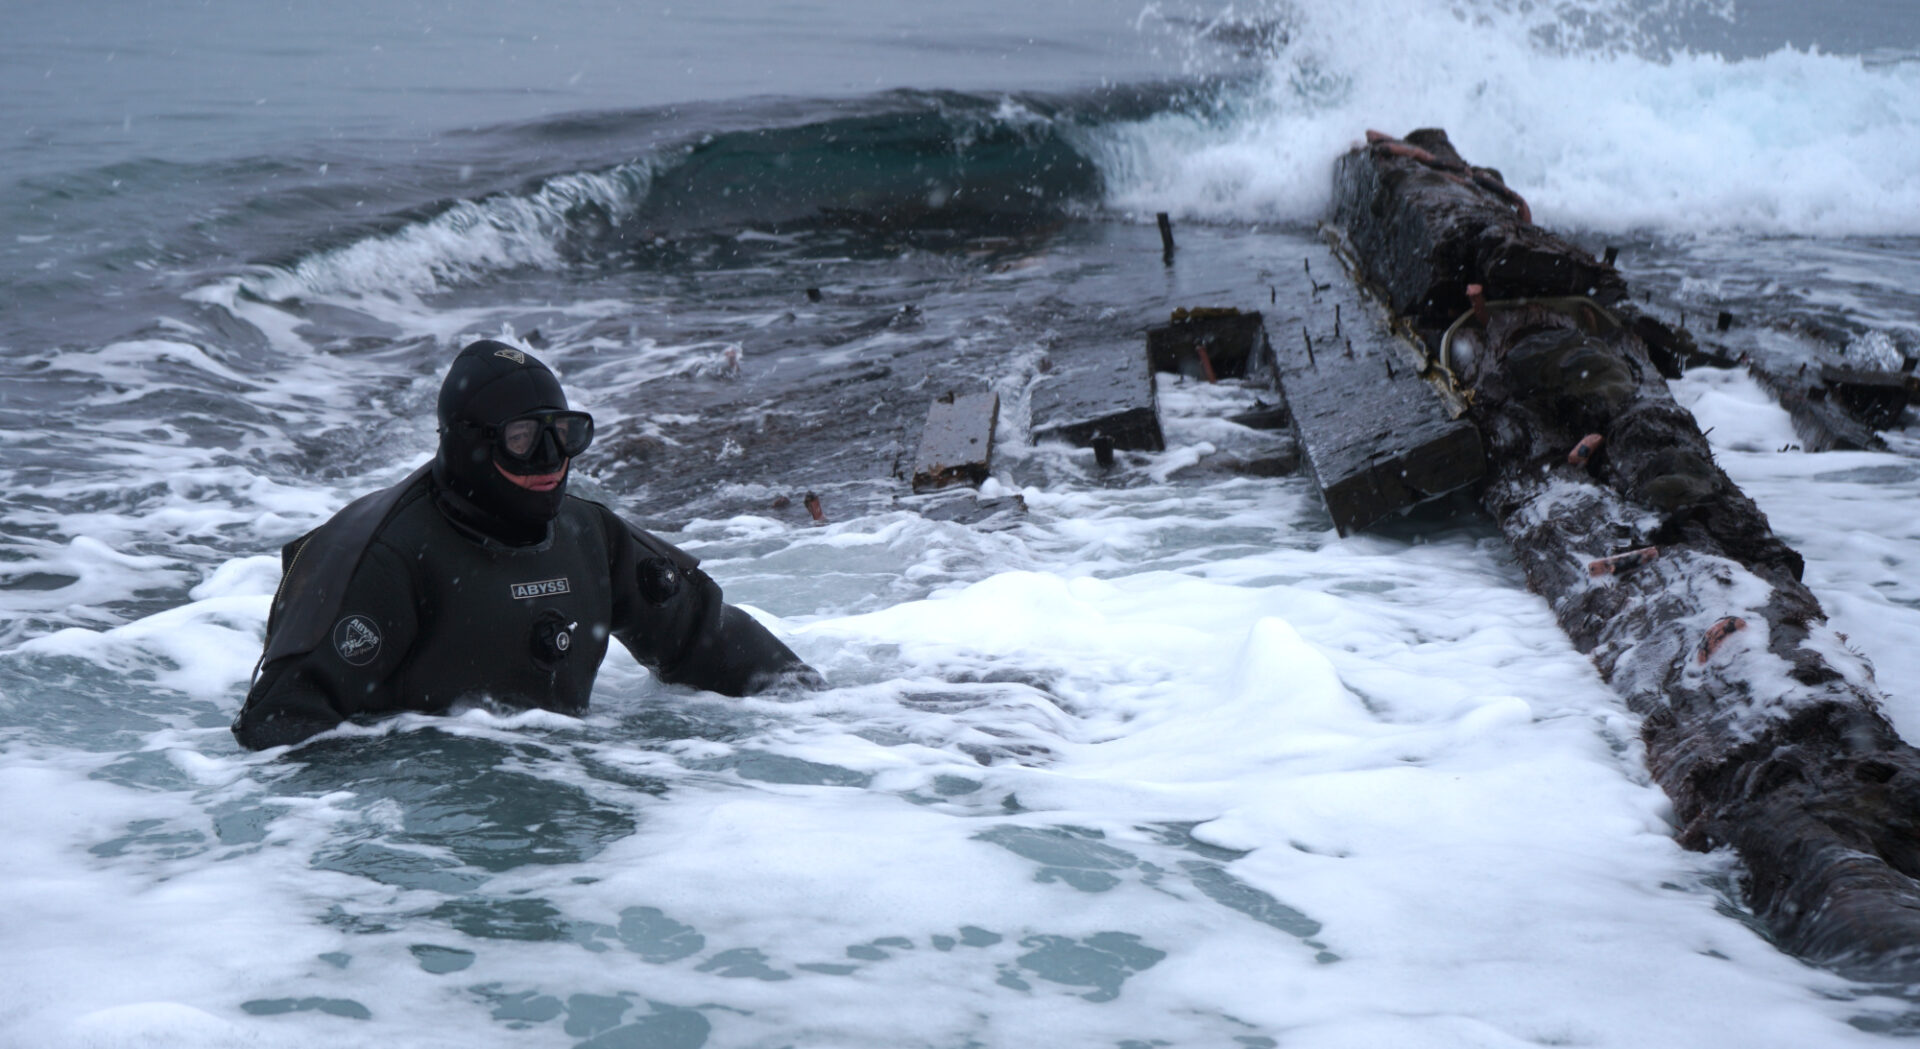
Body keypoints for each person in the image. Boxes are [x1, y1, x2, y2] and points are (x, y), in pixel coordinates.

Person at [233, 339, 817, 750]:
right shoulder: (382, 560)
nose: (550, 461)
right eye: (522, 440)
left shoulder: (590, 537)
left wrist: (836, 715)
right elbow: (281, 731)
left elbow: (706, 642)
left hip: (563, 819)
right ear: (469, 445)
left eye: (564, 435)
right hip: (420, 845)